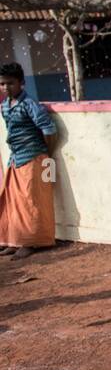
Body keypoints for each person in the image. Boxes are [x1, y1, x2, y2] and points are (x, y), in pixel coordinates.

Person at [0, 63, 57, 259]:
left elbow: (49, 129)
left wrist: (45, 153)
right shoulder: (5, 106)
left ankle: (31, 242)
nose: (6, 88)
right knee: (14, 201)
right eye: (2, 84)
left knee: (31, 202)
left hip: (33, 158)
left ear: (21, 83)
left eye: (10, 83)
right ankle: (15, 241)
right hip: (16, 158)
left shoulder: (29, 104)